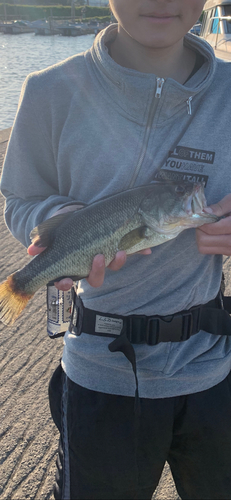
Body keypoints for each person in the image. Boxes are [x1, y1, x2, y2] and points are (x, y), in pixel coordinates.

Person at [1, 0, 231, 498]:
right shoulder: (47, 92)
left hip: (214, 367)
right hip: (100, 374)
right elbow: (19, 198)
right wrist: (51, 222)